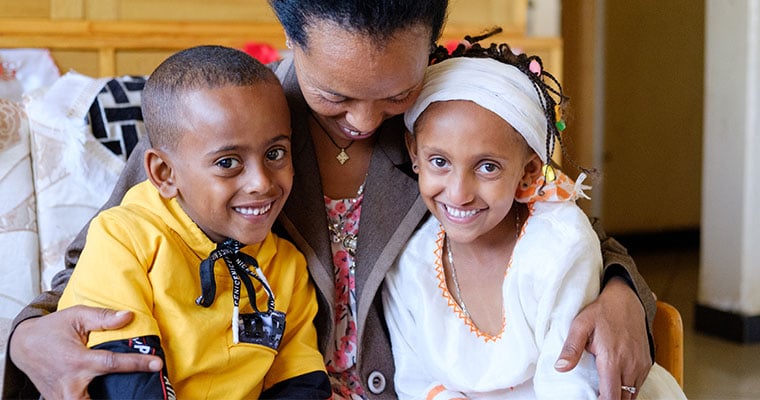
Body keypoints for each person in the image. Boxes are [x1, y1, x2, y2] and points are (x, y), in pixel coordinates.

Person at [4, 2, 656, 399]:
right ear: (290, 43)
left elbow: (560, 225)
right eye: (334, 95)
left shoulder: (453, 122)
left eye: (395, 93)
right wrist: (24, 338)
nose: (367, 121)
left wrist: (622, 292)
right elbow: (93, 269)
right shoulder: (226, 121)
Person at [383, 40, 686, 399]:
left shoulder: (558, 246)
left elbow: (572, 386)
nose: (459, 192)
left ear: (528, 170)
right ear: (414, 152)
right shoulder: (408, 263)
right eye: (439, 162)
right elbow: (417, 381)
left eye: (487, 167)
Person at [56, 45, 330, 399]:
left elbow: (299, 383)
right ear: (164, 173)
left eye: (275, 154)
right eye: (228, 162)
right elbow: (127, 379)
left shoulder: (288, 266)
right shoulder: (124, 239)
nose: (261, 183)